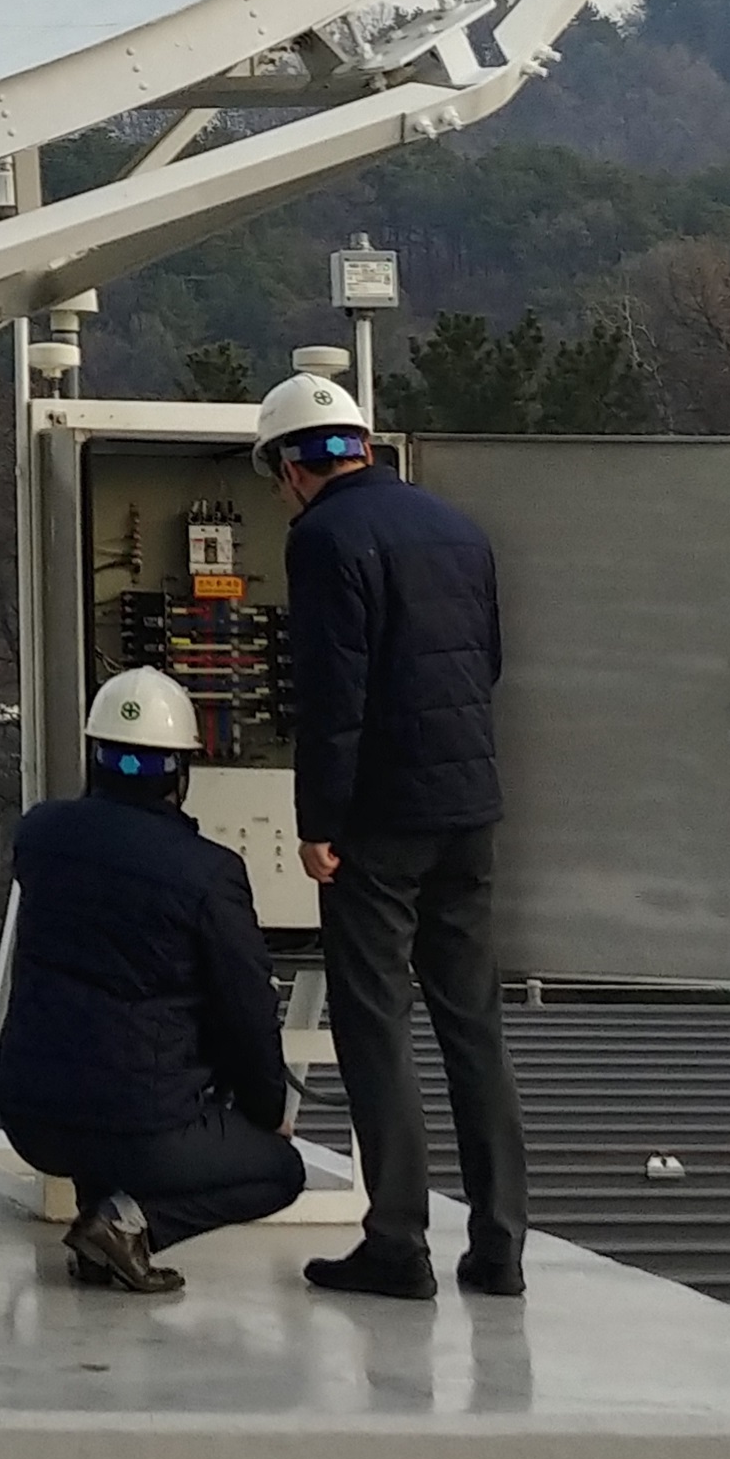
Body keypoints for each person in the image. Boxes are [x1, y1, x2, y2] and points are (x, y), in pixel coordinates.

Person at [263, 367, 527, 1303]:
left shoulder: (325, 538)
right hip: (472, 808)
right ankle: (500, 1247)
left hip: (379, 818)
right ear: (363, 448)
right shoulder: (459, 528)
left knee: (378, 1026)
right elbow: (486, 662)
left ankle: (398, 1242)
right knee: (473, 1025)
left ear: (291, 468)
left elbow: (333, 697)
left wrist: (318, 824)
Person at [0, 666, 305, 1295]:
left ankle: (103, 1233)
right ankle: (127, 1225)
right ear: (181, 773)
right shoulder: (209, 874)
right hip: (140, 1125)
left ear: (96, 756)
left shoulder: (41, 836)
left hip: (30, 1113)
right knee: (280, 1171)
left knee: (106, 1070)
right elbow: (244, 1010)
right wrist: (268, 1109)